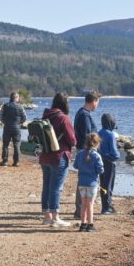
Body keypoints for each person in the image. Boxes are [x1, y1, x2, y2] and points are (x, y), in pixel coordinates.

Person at [39, 92, 77, 228]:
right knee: (56, 188)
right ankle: (55, 217)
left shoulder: (45, 115)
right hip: (59, 156)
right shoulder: (63, 118)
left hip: (44, 156)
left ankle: (47, 217)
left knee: (47, 186)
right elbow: (72, 140)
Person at [73, 91, 101, 218]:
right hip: (85, 151)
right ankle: (81, 210)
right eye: (98, 102)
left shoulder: (82, 113)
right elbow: (87, 135)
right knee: (85, 180)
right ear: (94, 101)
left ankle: (81, 210)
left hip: (83, 150)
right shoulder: (84, 115)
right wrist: (90, 151)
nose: (97, 105)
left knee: (83, 180)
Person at [73, 133, 104, 232]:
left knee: (83, 204)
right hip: (92, 183)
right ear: (97, 144)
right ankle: (90, 225)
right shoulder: (96, 156)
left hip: (82, 182)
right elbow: (101, 170)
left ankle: (83, 224)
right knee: (90, 204)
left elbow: (75, 166)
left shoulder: (80, 153)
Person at [98, 113, 120, 214]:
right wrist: (117, 157)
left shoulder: (99, 133)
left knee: (103, 184)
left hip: (100, 162)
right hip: (109, 162)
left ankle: (105, 205)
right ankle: (106, 207)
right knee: (109, 185)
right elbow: (115, 153)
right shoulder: (110, 135)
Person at [0, 92, 27, 167]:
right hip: (17, 127)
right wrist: (19, 123)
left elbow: (0, 117)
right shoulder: (20, 106)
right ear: (16, 98)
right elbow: (25, 117)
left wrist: (5, 122)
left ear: (10, 98)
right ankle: (16, 162)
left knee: (5, 144)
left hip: (7, 127)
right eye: (18, 97)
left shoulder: (5, 106)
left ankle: (5, 161)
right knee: (16, 145)